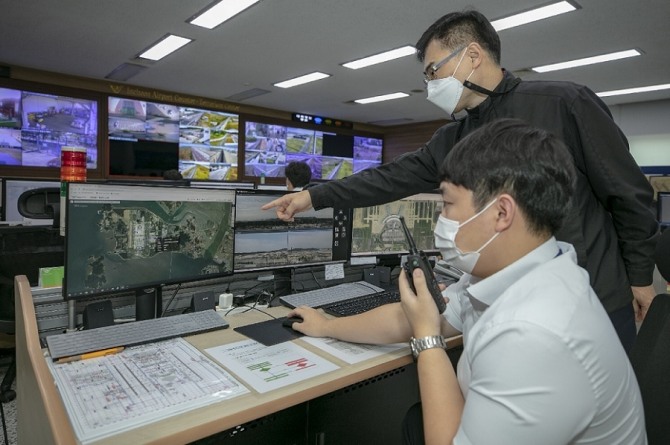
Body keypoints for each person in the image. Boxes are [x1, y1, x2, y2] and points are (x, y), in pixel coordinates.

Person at [263, 9, 659, 352]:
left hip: (591, 298)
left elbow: (628, 193)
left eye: (434, 71)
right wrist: (314, 197)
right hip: (500, 302)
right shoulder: (453, 136)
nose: (431, 84)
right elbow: (391, 177)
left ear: (472, 55)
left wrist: (640, 277)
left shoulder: (564, 104)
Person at [287, 119, 647, 444]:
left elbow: (428, 327)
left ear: (501, 213)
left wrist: (427, 340)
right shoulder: (528, 268)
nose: (441, 220)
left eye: (447, 204)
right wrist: (328, 326)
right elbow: (421, 316)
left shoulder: (535, 333)